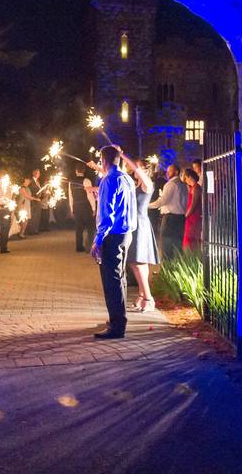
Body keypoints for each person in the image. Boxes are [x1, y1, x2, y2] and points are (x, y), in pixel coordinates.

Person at [91, 145, 137, 340]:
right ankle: (118, 320)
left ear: (104, 160)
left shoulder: (109, 179)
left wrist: (98, 240)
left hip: (113, 235)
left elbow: (107, 214)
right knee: (120, 279)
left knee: (112, 281)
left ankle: (117, 325)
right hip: (126, 233)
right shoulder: (126, 178)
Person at [119, 152, 160, 311]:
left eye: (138, 167)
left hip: (141, 225)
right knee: (134, 261)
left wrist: (122, 155)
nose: (133, 169)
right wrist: (97, 167)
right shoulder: (135, 185)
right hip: (133, 224)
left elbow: (134, 167)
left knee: (139, 261)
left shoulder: (148, 184)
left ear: (144, 170)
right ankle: (143, 295)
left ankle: (148, 298)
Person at [148, 163, 187, 260]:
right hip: (181, 218)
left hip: (170, 219)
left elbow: (163, 201)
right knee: (177, 246)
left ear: (176, 172)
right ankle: (176, 269)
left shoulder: (171, 184)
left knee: (166, 246)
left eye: (169, 171)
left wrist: (147, 205)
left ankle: (166, 270)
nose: (167, 173)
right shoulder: (183, 185)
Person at [71, 166, 96, 252]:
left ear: (76, 171)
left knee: (78, 227)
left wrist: (72, 208)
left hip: (76, 206)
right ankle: (89, 247)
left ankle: (79, 247)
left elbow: (71, 197)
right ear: (83, 171)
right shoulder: (86, 181)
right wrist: (94, 208)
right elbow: (90, 195)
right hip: (86, 206)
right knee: (90, 227)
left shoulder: (71, 183)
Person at [183, 168, 203, 252]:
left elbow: (193, 204)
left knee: (191, 238)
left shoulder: (196, 188)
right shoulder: (192, 188)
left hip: (193, 217)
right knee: (189, 238)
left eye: (185, 178)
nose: (185, 180)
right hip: (191, 216)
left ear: (189, 177)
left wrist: (186, 215)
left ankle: (192, 255)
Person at [26, 168, 43, 235]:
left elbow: (39, 190)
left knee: (37, 215)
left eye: (39, 173)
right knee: (33, 215)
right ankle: (31, 230)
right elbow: (30, 190)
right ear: (34, 173)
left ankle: (35, 229)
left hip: (38, 200)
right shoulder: (31, 181)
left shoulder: (38, 181)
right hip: (33, 200)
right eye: (38, 173)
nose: (39, 174)